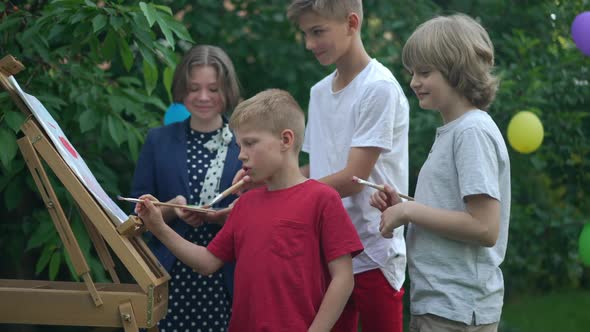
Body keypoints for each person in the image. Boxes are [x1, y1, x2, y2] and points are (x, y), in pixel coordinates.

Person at [136, 89, 364, 331]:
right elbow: (207, 262)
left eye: (250, 143)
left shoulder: (323, 199)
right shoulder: (245, 204)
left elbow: (343, 278)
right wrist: (159, 227)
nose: (241, 155)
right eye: (239, 145)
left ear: (285, 140)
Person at [370, 14, 510, 332]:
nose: (414, 82)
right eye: (412, 72)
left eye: (424, 72)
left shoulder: (471, 132)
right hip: (442, 304)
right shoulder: (455, 131)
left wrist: (410, 210)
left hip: (457, 309)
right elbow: (452, 210)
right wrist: (402, 206)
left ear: (456, 71)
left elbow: (484, 227)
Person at [286, 1, 410, 331]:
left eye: (318, 32)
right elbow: (317, 166)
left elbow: (354, 178)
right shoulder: (319, 92)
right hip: (330, 253)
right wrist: (272, 182)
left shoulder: (378, 87)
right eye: (305, 34)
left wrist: (289, 195)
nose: (310, 44)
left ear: (351, 23)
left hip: (374, 250)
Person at [130, 44, 242, 332]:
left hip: (228, 278)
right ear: (182, 88)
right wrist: (169, 208)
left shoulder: (245, 141)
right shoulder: (158, 141)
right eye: (194, 88)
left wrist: (222, 216)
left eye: (213, 89)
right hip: (169, 276)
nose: (203, 97)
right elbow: (132, 216)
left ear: (227, 90)